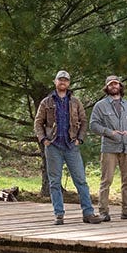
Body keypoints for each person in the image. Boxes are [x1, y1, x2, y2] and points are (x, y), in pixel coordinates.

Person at [34, 70, 102, 225]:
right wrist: (43, 139)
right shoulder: (46, 102)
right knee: (54, 182)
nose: (62, 82)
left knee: (81, 181)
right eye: (60, 80)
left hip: (71, 145)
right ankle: (59, 214)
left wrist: (79, 138)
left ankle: (88, 213)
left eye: (65, 80)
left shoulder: (75, 102)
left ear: (69, 83)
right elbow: (38, 122)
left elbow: (84, 121)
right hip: (53, 146)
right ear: (55, 82)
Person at [89, 75, 127, 221]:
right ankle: (103, 211)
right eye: (111, 84)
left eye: (116, 84)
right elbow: (93, 125)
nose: (114, 86)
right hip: (109, 148)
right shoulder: (100, 105)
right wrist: (109, 132)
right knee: (106, 180)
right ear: (107, 87)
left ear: (120, 86)